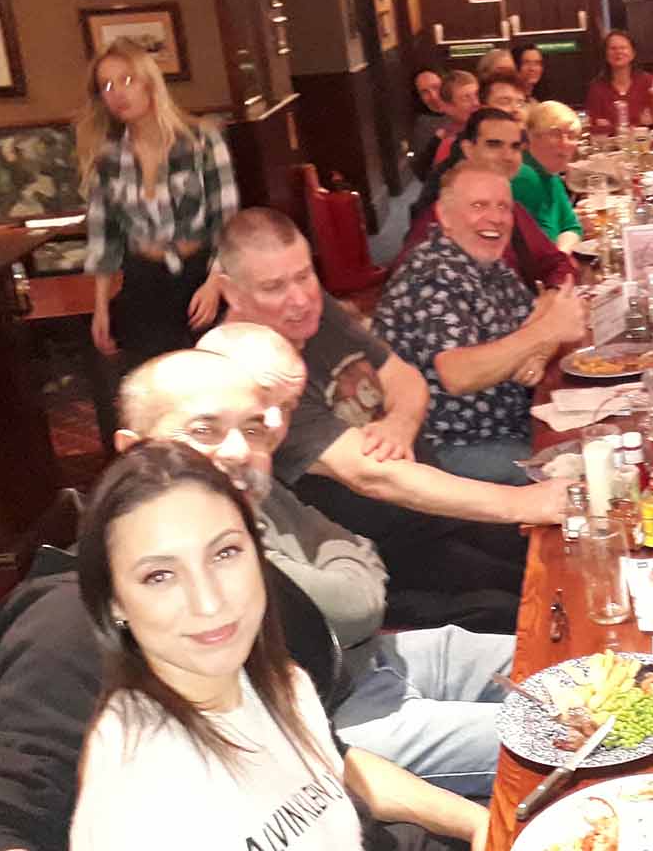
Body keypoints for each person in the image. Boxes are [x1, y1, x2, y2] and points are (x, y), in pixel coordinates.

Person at [119, 341, 518, 790]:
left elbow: (357, 548)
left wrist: (349, 567)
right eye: (204, 430)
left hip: (369, 657)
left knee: (558, 668)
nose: (237, 450)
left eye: (252, 429)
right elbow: (355, 607)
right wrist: (347, 566)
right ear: (133, 449)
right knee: (555, 735)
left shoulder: (245, 490)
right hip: (328, 723)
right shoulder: (156, 563)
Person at [68, 443, 488, 851]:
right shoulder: (140, 789)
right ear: (114, 602)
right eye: (160, 576)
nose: (208, 602)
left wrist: (478, 822)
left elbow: (338, 775)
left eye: (225, 553)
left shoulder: (281, 684)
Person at [214, 208, 567, 587]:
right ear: (232, 292)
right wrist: (523, 503)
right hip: (391, 559)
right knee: (540, 591)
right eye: (274, 287)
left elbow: (405, 379)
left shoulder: (313, 313)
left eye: (304, 275)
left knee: (569, 550)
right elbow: (374, 476)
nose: (299, 298)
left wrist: (399, 424)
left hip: (441, 509)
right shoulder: (250, 377)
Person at [374, 165, 589, 485]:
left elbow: (543, 317)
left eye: (504, 207)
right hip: (451, 448)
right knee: (587, 477)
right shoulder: (432, 274)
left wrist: (538, 348)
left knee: (606, 441)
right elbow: (457, 374)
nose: (496, 218)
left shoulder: (487, 264)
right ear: (444, 216)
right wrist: (544, 333)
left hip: (511, 424)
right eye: (479, 205)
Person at [79, 37, 238, 366]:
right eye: (106, 86)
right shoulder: (108, 157)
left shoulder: (201, 140)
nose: (118, 93)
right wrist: (100, 307)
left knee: (212, 374)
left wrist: (215, 283)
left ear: (149, 82)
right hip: (144, 281)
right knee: (154, 382)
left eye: (127, 80)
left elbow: (226, 220)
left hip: (200, 276)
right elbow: (104, 237)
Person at [404, 108, 578, 289]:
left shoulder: (508, 206)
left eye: (515, 147)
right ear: (468, 149)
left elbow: (556, 262)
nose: (508, 156)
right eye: (494, 145)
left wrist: (554, 293)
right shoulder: (438, 221)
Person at [514, 100, 584, 250]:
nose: (565, 143)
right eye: (555, 134)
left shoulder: (551, 175)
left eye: (571, 135)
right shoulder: (524, 177)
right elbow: (543, 245)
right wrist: (560, 255)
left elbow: (572, 227)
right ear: (531, 136)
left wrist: (561, 255)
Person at [584, 29, 653, 136]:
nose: (618, 52)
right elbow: (593, 126)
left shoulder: (649, 82)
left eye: (623, 48)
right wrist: (636, 126)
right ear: (606, 55)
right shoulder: (597, 88)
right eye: (613, 48)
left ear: (633, 53)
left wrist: (610, 127)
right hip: (610, 146)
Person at [416, 70, 481, 181]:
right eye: (466, 98)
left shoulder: (494, 125)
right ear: (448, 107)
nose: (476, 103)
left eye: (477, 95)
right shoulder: (448, 147)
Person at [409, 67, 449, 160]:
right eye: (424, 92)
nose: (433, 96)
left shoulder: (468, 113)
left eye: (436, 87)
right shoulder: (421, 127)